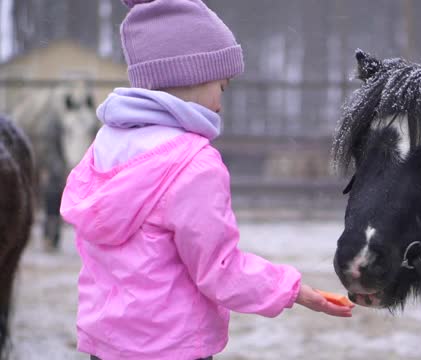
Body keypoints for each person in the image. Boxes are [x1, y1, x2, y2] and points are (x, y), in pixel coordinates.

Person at [60, 1, 353, 359]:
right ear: (192, 75)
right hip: (173, 348)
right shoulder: (194, 164)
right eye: (222, 86)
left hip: (107, 346)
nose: (221, 101)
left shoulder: (105, 146)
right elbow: (219, 270)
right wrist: (292, 290)